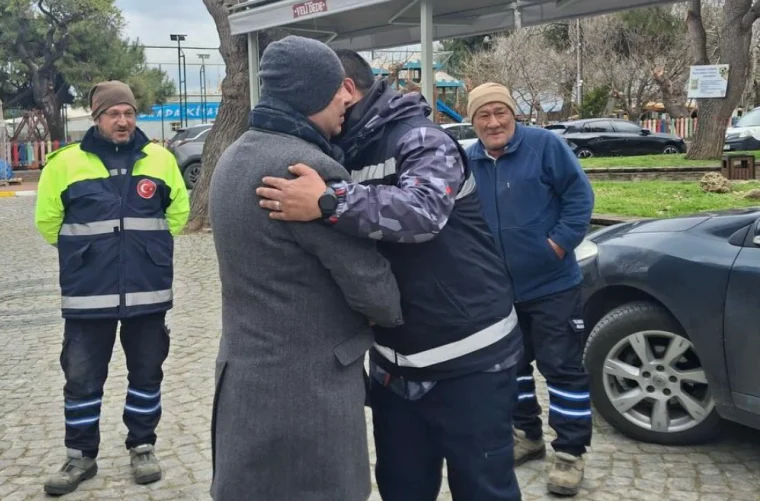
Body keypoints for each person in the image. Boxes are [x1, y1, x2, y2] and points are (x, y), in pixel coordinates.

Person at [256, 49, 523, 501]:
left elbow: (424, 212)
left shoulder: (420, 138)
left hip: (470, 362)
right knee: (401, 487)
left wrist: (329, 203)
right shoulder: (337, 150)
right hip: (394, 369)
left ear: (344, 88)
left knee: (483, 489)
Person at [209, 36, 404, 501]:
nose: (346, 97)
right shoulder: (306, 171)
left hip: (243, 380)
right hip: (308, 396)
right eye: (338, 86)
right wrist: (392, 309)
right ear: (312, 91)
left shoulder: (233, 156)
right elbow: (368, 283)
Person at [34, 80, 190, 496]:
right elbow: (48, 222)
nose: (122, 121)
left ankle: (142, 446)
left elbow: (179, 211)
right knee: (82, 377)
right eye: (113, 114)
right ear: (96, 116)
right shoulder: (64, 164)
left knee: (146, 373)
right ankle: (80, 456)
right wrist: (87, 254)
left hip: (147, 291)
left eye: (128, 113)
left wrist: (147, 248)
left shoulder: (160, 159)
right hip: (89, 293)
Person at [465, 82, 595, 497]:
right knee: (511, 369)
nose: (493, 122)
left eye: (500, 112)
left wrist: (556, 244)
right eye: (483, 116)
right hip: (498, 292)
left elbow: (579, 198)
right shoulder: (467, 161)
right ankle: (527, 435)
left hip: (553, 285)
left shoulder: (544, 146)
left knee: (562, 368)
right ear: (473, 122)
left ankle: (571, 453)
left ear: (513, 114)